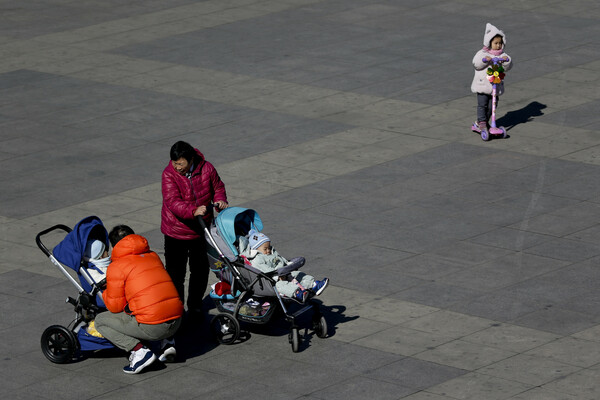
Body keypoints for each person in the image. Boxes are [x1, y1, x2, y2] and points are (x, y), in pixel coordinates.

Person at [94, 225, 183, 374]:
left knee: (100, 321)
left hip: (155, 327)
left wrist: (104, 292)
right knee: (156, 302)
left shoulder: (117, 266)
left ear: (114, 245)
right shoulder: (153, 255)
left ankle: (140, 352)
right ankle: (167, 342)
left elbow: (115, 307)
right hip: (177, 320)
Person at [161, 141, 228, 320]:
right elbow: (172, 201)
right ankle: (177, 310)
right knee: (176, 274)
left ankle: (196, 306)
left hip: (201, 230)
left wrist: (220, 199)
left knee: (200, 270)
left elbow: (218, 187)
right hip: (176, 232)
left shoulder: (207, 169)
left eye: (181, 164)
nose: (177, 167)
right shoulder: (169, 174)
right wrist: (192, 210)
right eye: (174, 163)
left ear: (191, 160)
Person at [240, 229, 329, 302]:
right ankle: (297, 292)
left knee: (298, 274)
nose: (268, 250)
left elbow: (281, 259)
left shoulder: (271, 252)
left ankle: (313, 284)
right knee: (282, 285)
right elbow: (265, 270)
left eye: (269, 247)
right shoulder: (257, 259)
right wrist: (277, 277)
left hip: (284, 271)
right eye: (265, 249)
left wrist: (288, 264)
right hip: (272, 279)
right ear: (256, 249)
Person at [471, 23, 513, 132]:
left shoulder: (501, 55)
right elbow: (476, 63)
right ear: (489, 43)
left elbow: (508, 65)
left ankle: (481, 122)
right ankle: (482, 122)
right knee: (482, 105)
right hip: (483, 85)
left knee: (492, 106)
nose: (498, 45)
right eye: (496, 43)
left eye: (500, 43)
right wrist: (485, 60)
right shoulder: (482, 53)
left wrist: (506, 60)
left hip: (495, 85)